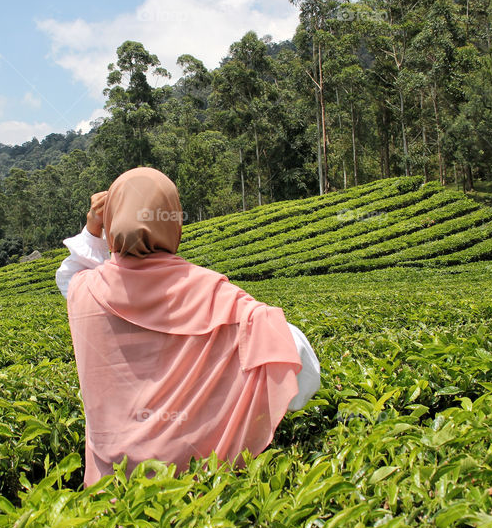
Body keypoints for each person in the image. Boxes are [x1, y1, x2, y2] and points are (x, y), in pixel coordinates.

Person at [55, 167, 320, 487]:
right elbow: (301, 369)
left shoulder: (84, 291)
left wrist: (93, 230)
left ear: (112, 224)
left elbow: (68, 275)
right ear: (174, 222)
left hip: (111, 496)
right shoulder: (213, 295)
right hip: (197, 494)